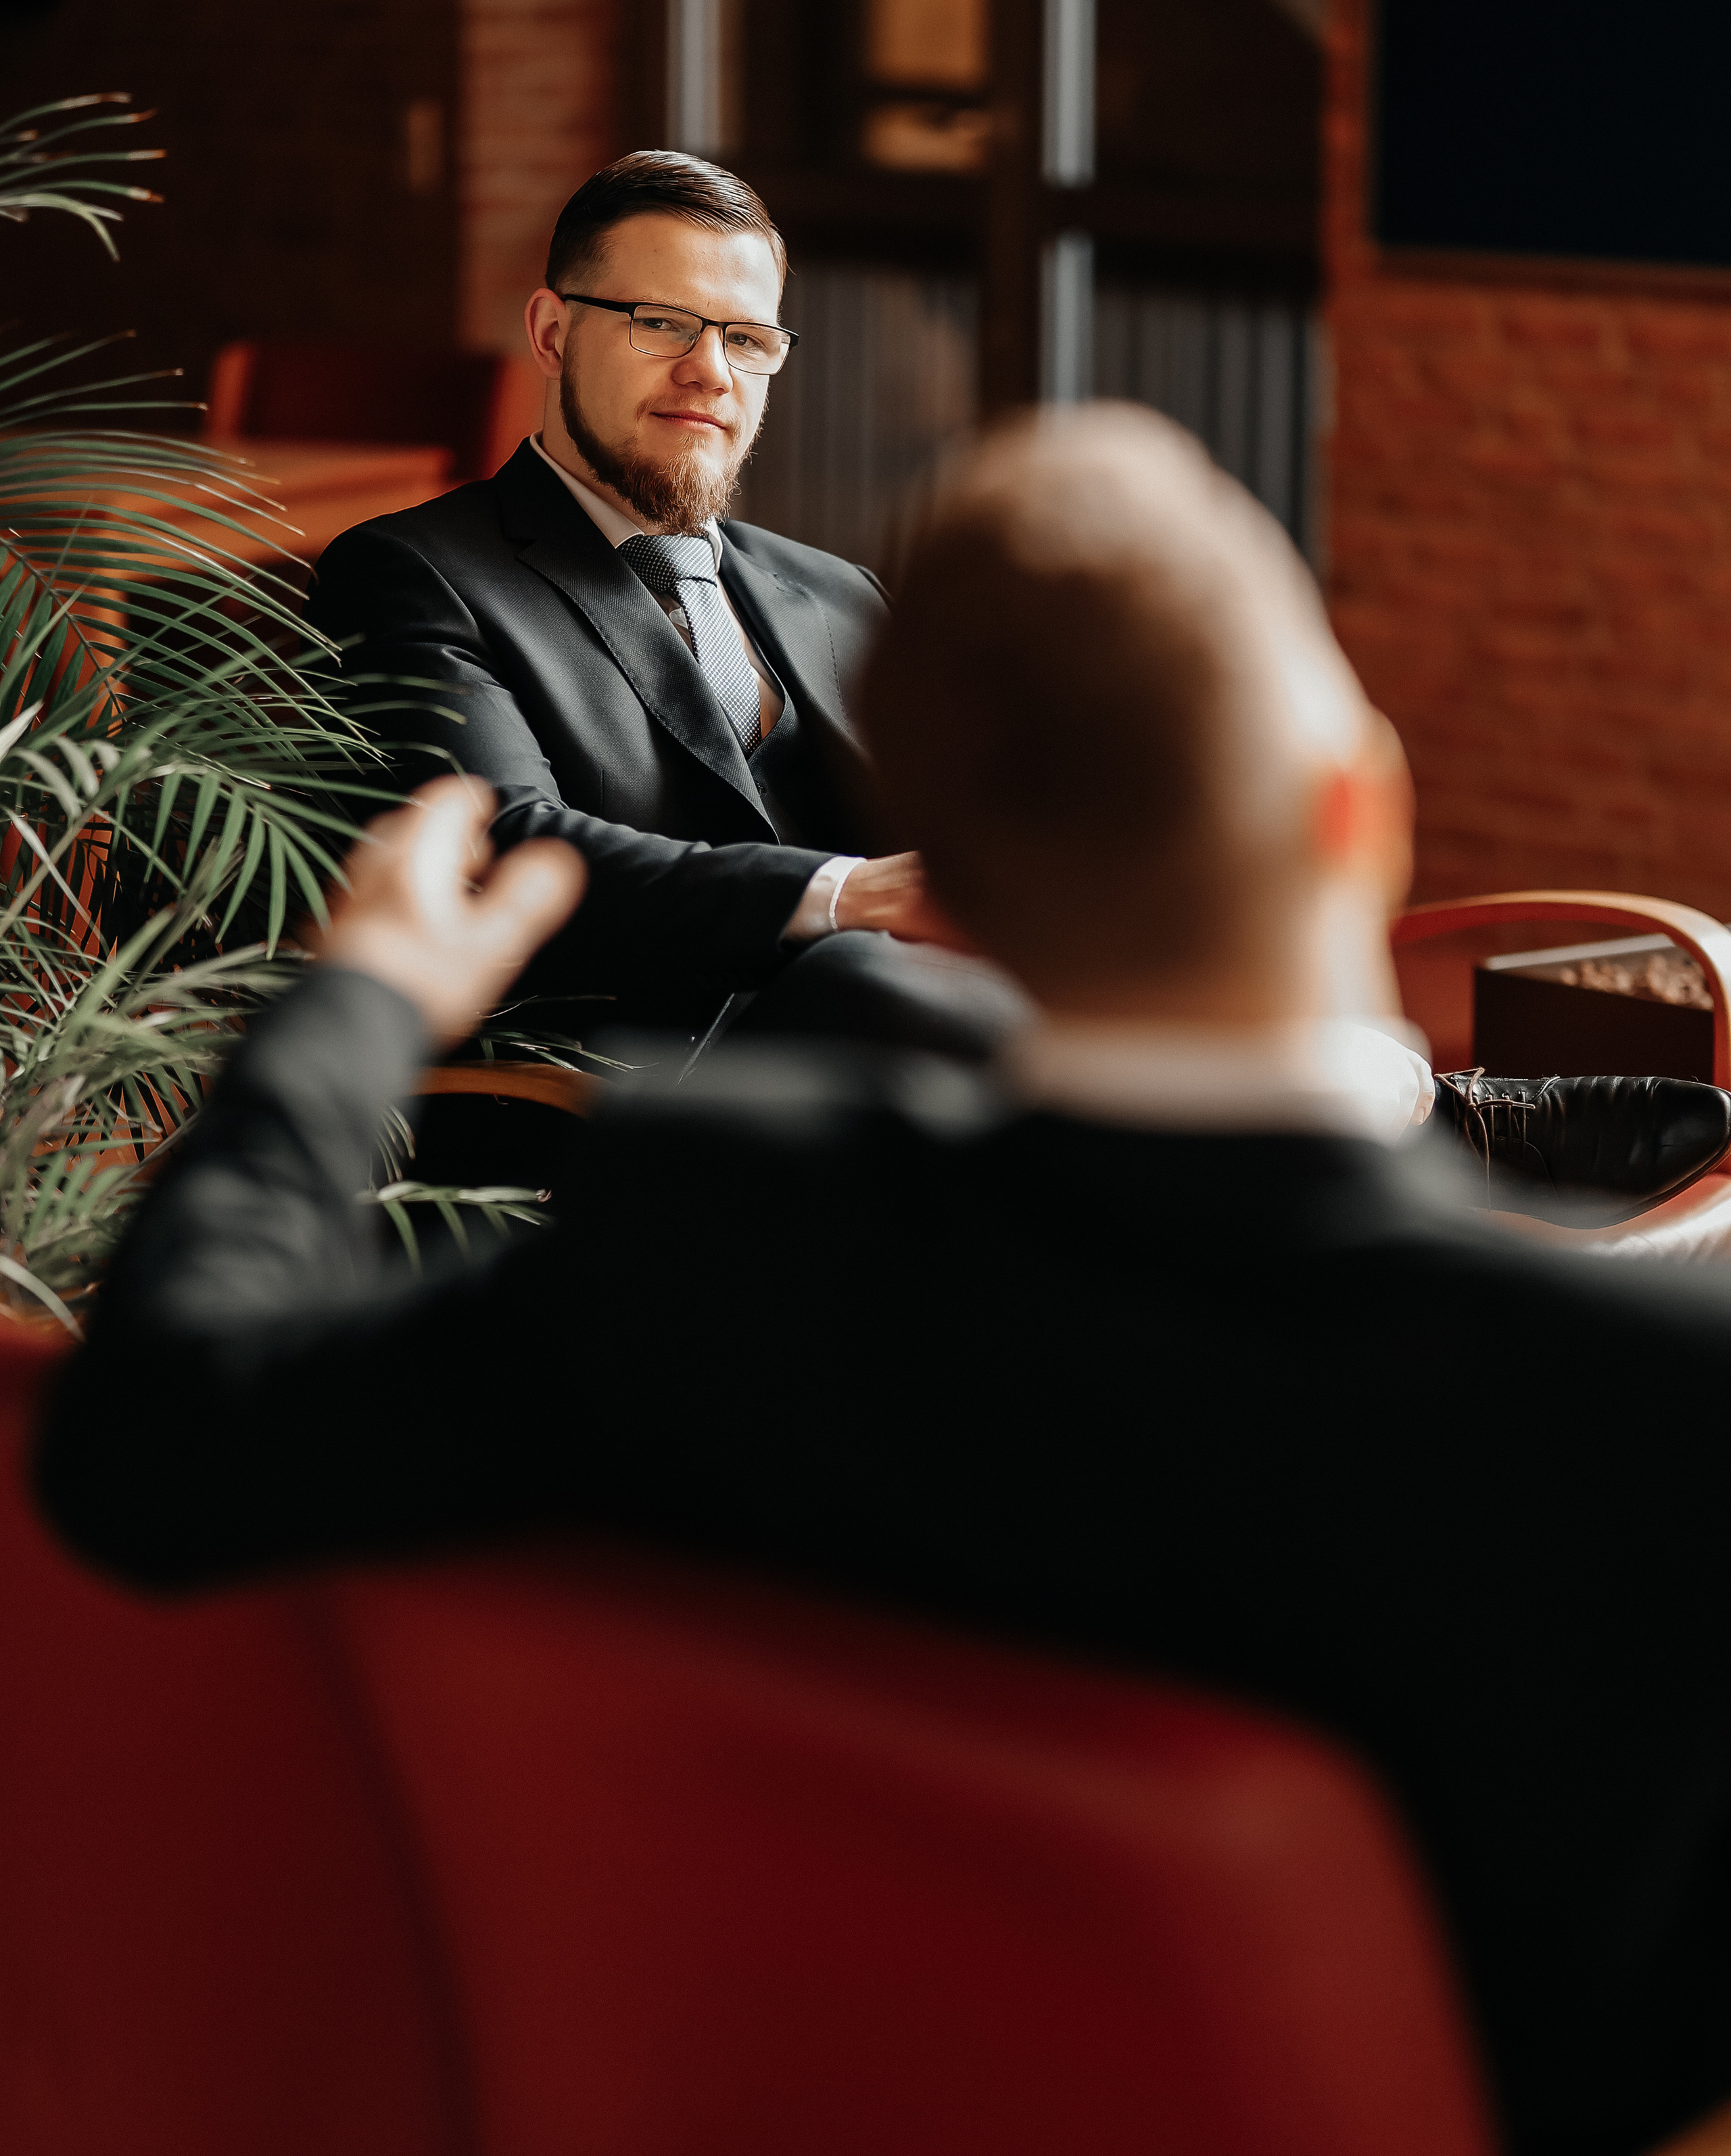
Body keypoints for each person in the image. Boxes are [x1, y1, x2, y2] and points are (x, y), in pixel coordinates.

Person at [34, 404, 1731, 2156]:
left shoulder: (708, 1231)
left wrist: (367, 998)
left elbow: (149, 1438)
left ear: (957, 892)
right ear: (1358, 810)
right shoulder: (1663, 1409)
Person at [313, 148, 1016, 1070]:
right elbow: (507, 854)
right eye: (663, 324)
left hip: (888, 1097)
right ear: (552, 332)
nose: (711, 372)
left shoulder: (844, 593)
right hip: (626, 1104)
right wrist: (849, 895)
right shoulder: (412, 573)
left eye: (747, 339)